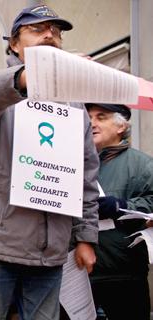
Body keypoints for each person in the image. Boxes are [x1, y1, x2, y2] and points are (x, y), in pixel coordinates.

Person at [0, 5, 100, 319]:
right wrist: (25, 78)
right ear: (14, 45)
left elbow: (85, 175)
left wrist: (85, 237)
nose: (50, 35)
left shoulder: (74, 104)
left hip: (49, 254)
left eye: (55, 31)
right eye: (37, 29)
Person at [85, 103, 153, 319]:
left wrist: (120, 207)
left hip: (124, 272)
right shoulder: (73, 163)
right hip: (79, 272)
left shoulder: (142, 164)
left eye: (101, 117)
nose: (92, 123)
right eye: (89, 118)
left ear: (120, 127)